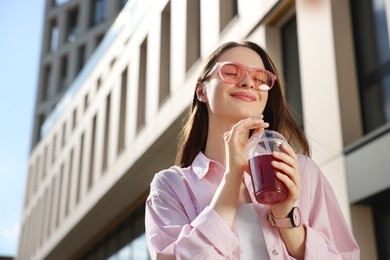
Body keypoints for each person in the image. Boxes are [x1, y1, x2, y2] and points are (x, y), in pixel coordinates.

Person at [145, 41, 360, 259]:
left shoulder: (299, 170)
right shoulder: (171, 186)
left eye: (259, 79)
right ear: (201, 91)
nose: (248, 82)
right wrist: (232, 177)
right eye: (230, 72)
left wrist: (286, 218)